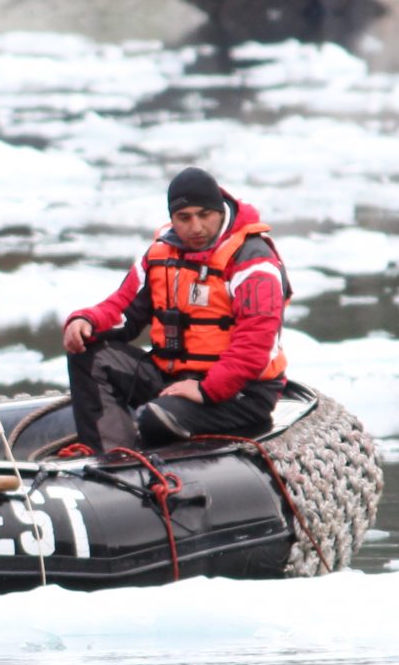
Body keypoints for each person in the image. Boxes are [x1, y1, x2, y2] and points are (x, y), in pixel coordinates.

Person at [61, 167, 290, 454]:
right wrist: (86, 320)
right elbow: (124, 309)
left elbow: (256, 344)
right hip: (173, 380)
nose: (195, 227)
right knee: (88, 354)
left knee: (155, 419)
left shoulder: (253, 260)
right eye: (184, 218)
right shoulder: (160, 254)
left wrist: (207, 390)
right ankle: (113, 460)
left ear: (219, 211)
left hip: (239, 394)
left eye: (204, 215)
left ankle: (142, 459)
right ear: (172, 219)